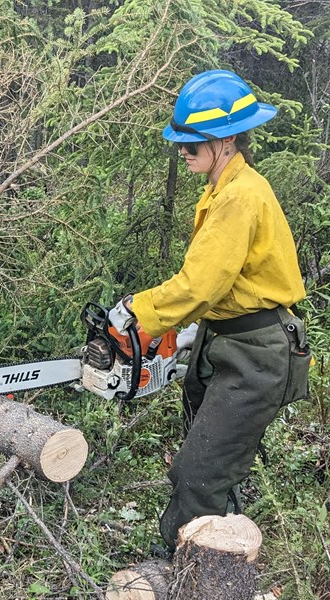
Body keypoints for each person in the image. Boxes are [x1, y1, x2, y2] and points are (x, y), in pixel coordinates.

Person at [108, 69, 309, 552]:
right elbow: (225, 284)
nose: (184, 150)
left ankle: (180, 572)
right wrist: (196, 330)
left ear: (226, 139)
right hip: (226, 340)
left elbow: (201, 284)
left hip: (257, 351)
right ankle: (222, 552)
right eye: (182, 141)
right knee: (208, 454)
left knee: (198, 471)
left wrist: (141, 311)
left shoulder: (240, 197)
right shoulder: (224, 187)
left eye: (193, 142)